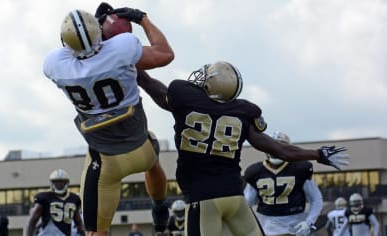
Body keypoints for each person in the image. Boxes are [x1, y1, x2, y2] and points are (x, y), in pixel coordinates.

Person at [136, 61, 350, 236]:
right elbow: (280, 150)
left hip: (203, 200)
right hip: (235, 198)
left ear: (211, 85)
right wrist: (318, 154)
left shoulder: (184, 96)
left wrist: (122, 57)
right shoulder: (243, 111)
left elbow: (148, 82)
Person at [42, 3, 174, 235]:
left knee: (95, 231)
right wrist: (142, 19)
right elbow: (165, 54)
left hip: (105, 162)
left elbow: (77, 52)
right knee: (153, 158)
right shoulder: (122, 49)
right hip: (142, 149)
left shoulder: (54, 65)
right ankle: (160, 206)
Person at [243, 131, 323, 236]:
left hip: (296, 226)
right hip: (268, 227)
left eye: (280, 146)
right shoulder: (256, 172)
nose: (276, 151)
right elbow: (246, 204)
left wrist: (309, 222)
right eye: (272, 146)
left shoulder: (299, 169)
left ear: (288, 149)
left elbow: (316, 199)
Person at [25, 169, 84, 236]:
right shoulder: (44, 198)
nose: (59, 184)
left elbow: (78, 221)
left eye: (62, 182)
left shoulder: (74, 199)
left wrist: (82, 232)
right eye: (56, 182)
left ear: (66, 182)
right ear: (52, 183)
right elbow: (32, 221)